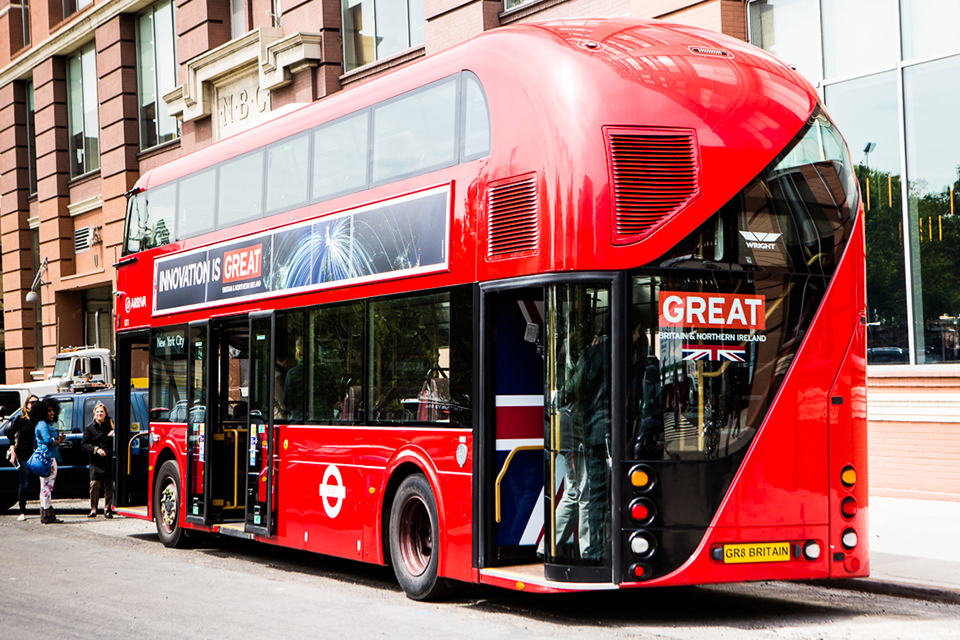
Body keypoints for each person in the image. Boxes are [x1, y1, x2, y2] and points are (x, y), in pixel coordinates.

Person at [3, 395, 39, 521]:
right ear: (26, 404)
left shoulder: (40, 420)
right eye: (32, 402)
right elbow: (11, 435)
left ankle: (45, 510)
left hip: (38, 454)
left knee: (42, 483)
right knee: (24, 483)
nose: (34, 405)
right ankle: (22, 511)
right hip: (23, 454)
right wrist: (13, 452)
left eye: (36, 402)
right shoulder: (20, 419)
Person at [31, 397, 66, 524]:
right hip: (48, 459)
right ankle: (47, 514)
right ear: (42, 412)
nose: (52, 413)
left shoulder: (44, 424)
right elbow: (47, 440)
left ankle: (45, 513)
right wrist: (57, 440)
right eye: (49, 411)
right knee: (47, 487)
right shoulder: (43, 424)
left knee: (45, 487)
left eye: (53, 411)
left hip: (48, 458)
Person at [81, 402, 115, 518]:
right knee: (94, 484)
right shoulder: (90, 428)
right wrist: (96, 449)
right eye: (97, 412)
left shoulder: (111, 425)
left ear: (105, 413)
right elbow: (84, 444)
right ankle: (93, 509)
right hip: (95, 460)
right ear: (94, 414)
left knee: (108, 485)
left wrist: (114, 433)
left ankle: (108, 510)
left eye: (102, 411)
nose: (99, 413)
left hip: (108, 459)